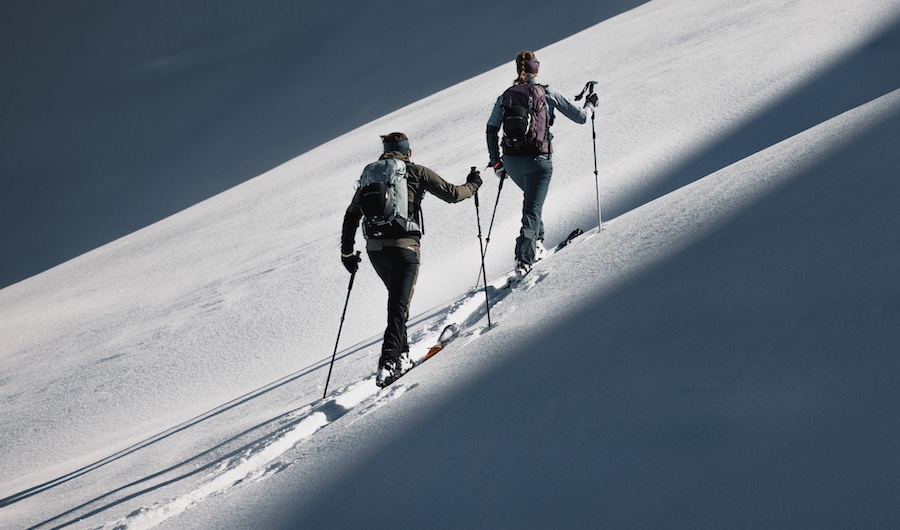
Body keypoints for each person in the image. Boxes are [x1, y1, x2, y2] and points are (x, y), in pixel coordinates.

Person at [341, 132, 482, 387]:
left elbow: (351, 215)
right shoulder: (416, 172)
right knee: (398, 307)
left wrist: (347, 253)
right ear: (408, 152)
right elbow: (452, 194)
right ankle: (389, 362)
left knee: (397, 301)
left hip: (375, 250)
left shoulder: (369, 176)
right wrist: (473, 184)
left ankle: (401, 355)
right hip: (405, 248)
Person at [486, 50, 598, 278]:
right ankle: (524, 258)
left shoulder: (506, 96)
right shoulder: (546, 92)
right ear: (536, 68)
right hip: (538, 161)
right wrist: (591, 105)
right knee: (532, 208)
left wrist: (496, 162)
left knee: (532, 201)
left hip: (510, 161)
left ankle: (536, 243)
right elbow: (581, 118)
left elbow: (491, 129)